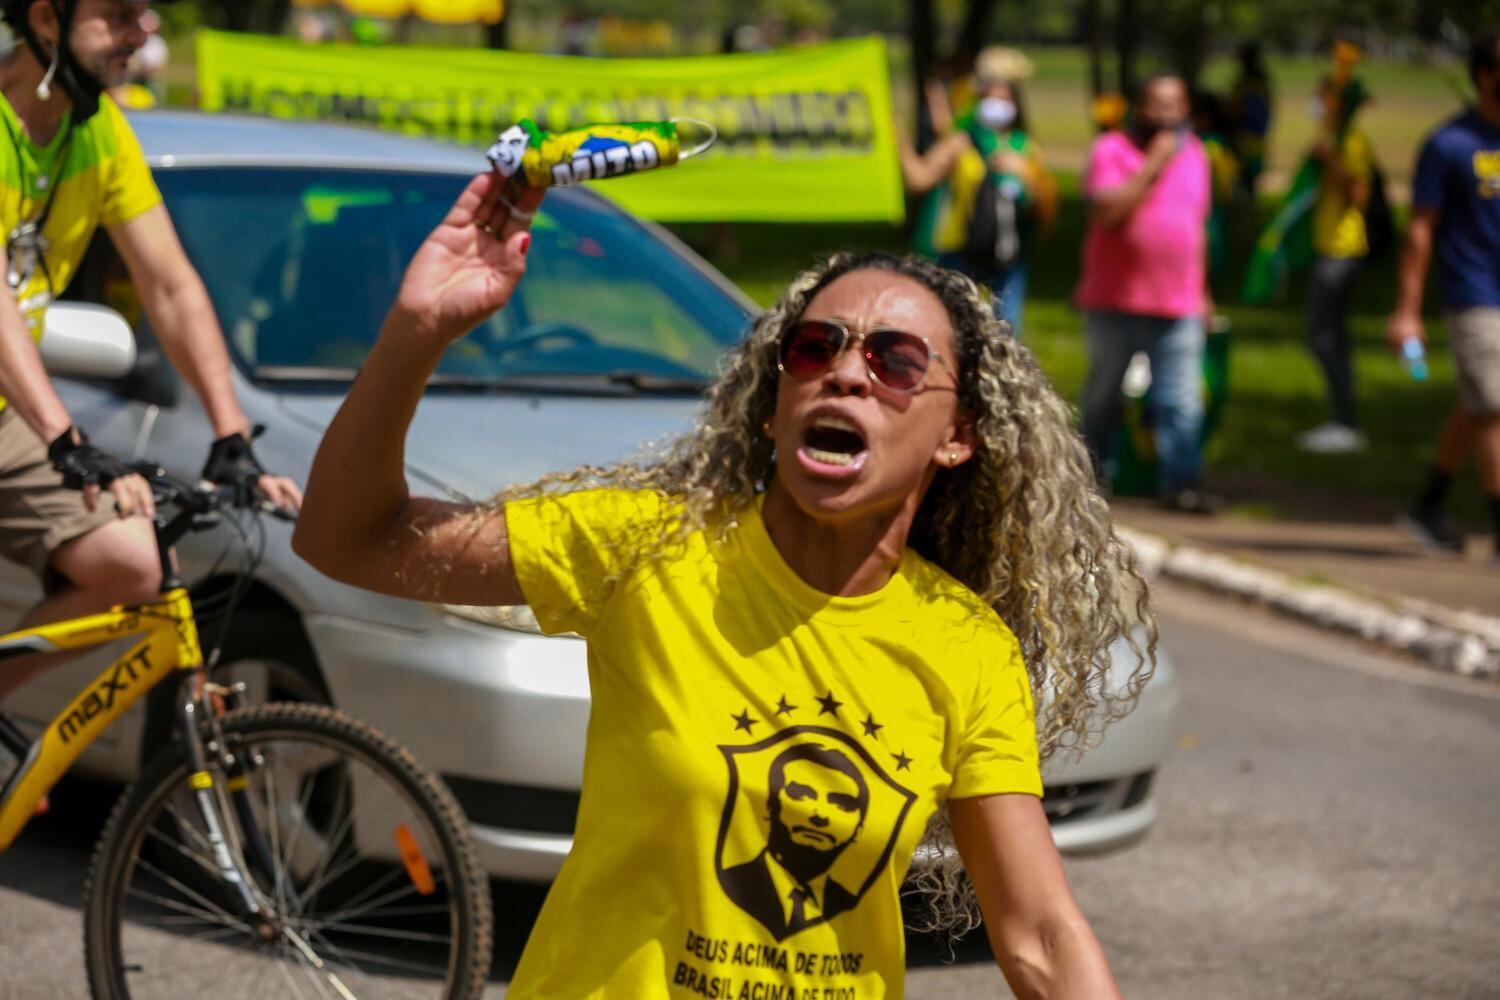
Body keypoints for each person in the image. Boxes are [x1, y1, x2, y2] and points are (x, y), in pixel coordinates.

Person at [294, 168, 1155, 997]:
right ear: (774, 402)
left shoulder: (967, 646)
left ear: (958, 434)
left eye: (895, 362)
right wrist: (416, 332)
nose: (846, 372)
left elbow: (1041, 936)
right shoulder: (645, 545)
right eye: (814, 348)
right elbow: (348, 539)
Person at [0, 0, 299, 718]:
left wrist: (232, 437)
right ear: (46, 20)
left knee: (133, 563)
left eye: (148, 13)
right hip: (28, 416)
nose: (145, 30)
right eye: (120, 14)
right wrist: (64, 438)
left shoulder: (98, 132)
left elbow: (169, 285)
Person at [1076, 72, 1218, 513]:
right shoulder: (1111, 150)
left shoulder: (1196, 155)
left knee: (1181, 400)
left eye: (1173, 106)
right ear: (1139, 106)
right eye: (1156, 104)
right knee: (1104, 396)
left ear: (1186, 111)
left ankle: (1181, 483)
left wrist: (1205, 291)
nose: (1164, 114)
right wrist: (1153, 165)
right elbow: (1110, 214)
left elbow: (1196, 230)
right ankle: (1089, 479)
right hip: (1114, 300)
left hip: (1179, 300)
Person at [1389, 25, 1500, 561]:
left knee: (1478, 404)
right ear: (1485, 75)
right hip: (1474, 291)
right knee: (1495, 409)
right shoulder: (1449, 144)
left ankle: (1427, 504)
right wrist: (1408, 310)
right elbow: (1420, 229)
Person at [900, 46, 1057, 337]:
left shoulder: (1026, 148)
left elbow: (1045, 207)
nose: (996, 103)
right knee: (954, 327)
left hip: (1009, 254)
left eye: (1004, 97)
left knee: (1005, 332)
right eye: (990, 96)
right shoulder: (962, 140)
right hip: (960, 250)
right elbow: (919, 178)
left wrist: (1024, 174)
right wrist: (897, 138)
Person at [1296, 74, 1374, 454]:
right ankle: (1343, 419)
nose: (1317, 101)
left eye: (1323, 96)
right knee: (1330, 337)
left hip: (1343, 250)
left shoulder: (1352, 141)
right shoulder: (1332, 136)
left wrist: (1330, 159)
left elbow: (1358, 194)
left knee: (1323, 337)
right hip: (1329, 247)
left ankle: (1345, 422)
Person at [1229, 41, 1273, 206]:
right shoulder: (1263, 83)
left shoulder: (1246, 85)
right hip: (1257, 141)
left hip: (1244, 140)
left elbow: (1236, 111)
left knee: (1243, 185)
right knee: (1250, 186)